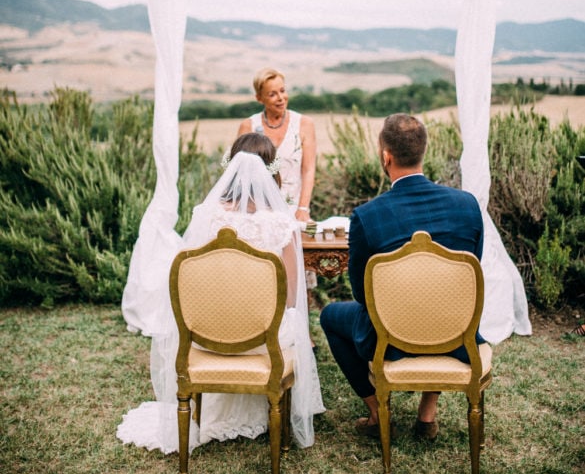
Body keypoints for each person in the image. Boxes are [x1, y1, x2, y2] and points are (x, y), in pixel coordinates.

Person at [117, 132, 324, 454]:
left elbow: (189, 283)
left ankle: (209, 407)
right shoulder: (282, 226)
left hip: (206, 334)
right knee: (293, 323)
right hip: (263, 340)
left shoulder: (206, 216)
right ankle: (277, 408)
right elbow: (292, 296)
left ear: (230, 169)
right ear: (272, 172)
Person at [320, 113, 484, 441]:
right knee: (442, 303)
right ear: (424, 151)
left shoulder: (367, 217)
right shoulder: (467, 205)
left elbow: (360, 293)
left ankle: (377, 412)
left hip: (390, 340)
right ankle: (427, 415)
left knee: (329, 316)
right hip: (455, 333)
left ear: (386, 156)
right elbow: (468, 275)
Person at [237, 68, 316, 224]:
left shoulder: (304, 124)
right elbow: (239, 173)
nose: (281, 98)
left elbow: (308, 169)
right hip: (256, 211)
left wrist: (303, 209)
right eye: (272, 94)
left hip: (293, 210)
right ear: (259, 98)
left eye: (282, 91)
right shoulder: (248, 126)